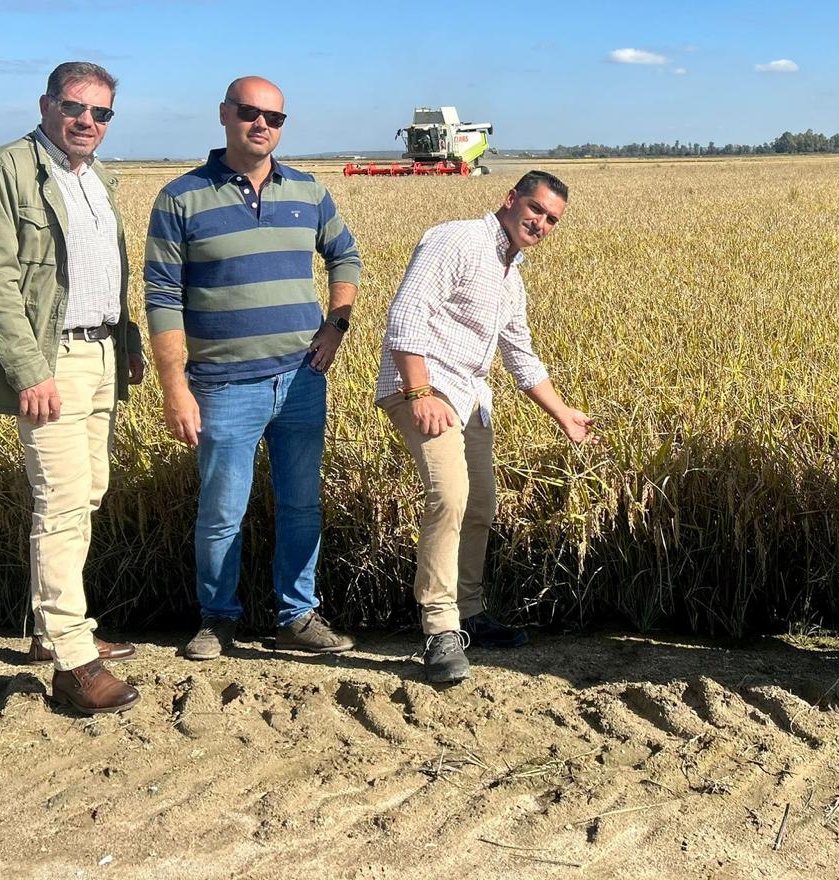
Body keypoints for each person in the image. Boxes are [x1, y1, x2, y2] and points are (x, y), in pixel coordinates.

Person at [0, 62, 144, 715]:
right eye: (76, 108)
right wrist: (28, 370)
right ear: (48, 105)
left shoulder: (96, 179)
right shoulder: (5, 170)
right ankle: (72, 662)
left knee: (86, 492)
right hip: (50, 356)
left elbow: (100, 271)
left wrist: (127, 339)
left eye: (101, 113)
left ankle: (51, 631)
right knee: (60, 499)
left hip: (101, 353)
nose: (88, 122)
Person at [145, 76, 362, 661]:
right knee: (221, 512)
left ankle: (298, 615)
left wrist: (336, 326)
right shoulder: (180, 198)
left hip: (300, 380)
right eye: (249, 112)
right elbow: (161, 297)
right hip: (221, 386)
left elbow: (345, 255)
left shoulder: (310, 191)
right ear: (224, 115)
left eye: (274, 117)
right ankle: (217, 619)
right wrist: (174, 389)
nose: (261, 124)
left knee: (301, 504)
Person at [378, 171, 594, 685]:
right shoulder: (456, 239)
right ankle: (439, 629)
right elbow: (405, 315)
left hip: (470, 398)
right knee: (449, 496)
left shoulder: (510, 273)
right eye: (536, 210)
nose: (541, 223)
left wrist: (562, 413)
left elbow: (520, 353)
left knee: (479, 506)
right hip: (424, 388)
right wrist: (419, 393)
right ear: (511, 199)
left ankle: (469, 612)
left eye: (552, 220)